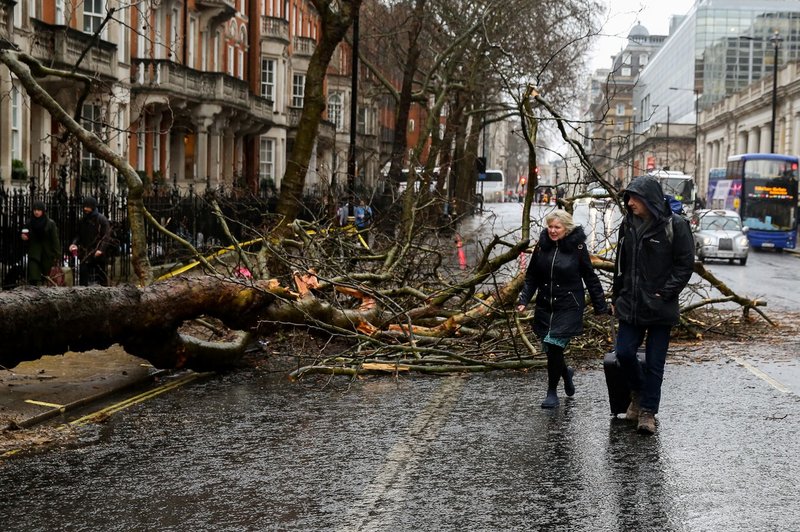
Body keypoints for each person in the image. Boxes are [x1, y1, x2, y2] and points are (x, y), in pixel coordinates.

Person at [611, 175, 694, 434]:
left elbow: (685, 265)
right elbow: (620, 264)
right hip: (631, 303)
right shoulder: (628, 223)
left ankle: (647, 413)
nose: (629, 203)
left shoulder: (676, 225)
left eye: (634, 198)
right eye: (628, 198)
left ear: (649, 199)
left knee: (656, 363)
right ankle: (637, 393)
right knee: (624, 353)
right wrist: (616, 296)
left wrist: (665, 293)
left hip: (660, 305)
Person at [516, 210, 609, 408]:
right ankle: (565, 373)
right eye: (550, 226)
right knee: (551, 350)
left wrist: (601, 306)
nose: (553, 230)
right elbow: (532, 276)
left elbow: (590, 277)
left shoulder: (578, 247)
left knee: (555, 344)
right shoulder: (542, 246)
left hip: (569, 305)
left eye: (557, 227)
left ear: (567, 228)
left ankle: (551, 393)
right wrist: (524, 299)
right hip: (545, 306)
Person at [69, 196, 113, 286]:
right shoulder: (82, 220)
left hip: (98, 253)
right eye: (84, 206)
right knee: (83, 274)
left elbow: (106, 237)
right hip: (85, 252)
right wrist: (74, 244)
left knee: (101, 276)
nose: (85, 209)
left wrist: (101, 249)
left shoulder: (101, 220)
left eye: (88, 207)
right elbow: (78, 235)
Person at [21, 200, 61, 285]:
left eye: (38, 210)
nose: (36, 212)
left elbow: (55, 240)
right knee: (34, 278)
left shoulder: (50, 223)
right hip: (34, 254)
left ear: (43, 211)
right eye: (35, 210)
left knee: (46, 278)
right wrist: (24, 238)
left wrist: (57, 254)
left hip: (47, 255)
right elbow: (26, 238)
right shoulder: (29, 222)